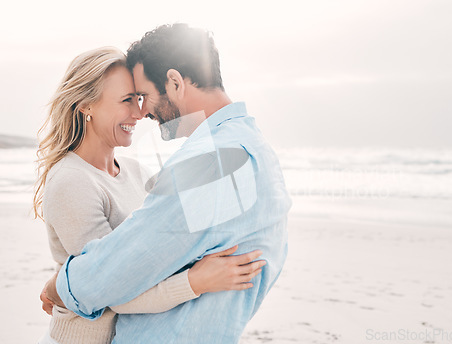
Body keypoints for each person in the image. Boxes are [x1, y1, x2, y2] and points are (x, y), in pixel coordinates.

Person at [45, 23, 291, 343]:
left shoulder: (210, 161)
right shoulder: (258, 151)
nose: (143, 112)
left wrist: (58, 287)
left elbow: (113, 273)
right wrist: (194, 280)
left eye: (144, 96)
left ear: (174, 82)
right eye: (129, 99)